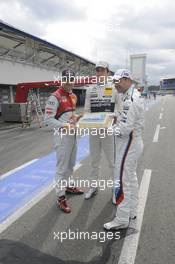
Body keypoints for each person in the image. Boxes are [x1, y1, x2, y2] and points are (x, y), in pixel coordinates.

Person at [104, 69, 144, 230]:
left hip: (128, 143)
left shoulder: (131, 99)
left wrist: (106, 128)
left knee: (122, 180)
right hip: (133, 142)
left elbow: (124, 129)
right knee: (131, 178)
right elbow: (122, 116)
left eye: (118, 81)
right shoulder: (128, 95)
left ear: (127, 79)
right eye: (114, 81)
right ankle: (132, 210)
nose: (115, 85)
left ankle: (121, 219)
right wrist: (114, 117)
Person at [44, 69, 84, 214]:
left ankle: (68, 186)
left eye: (71, 79)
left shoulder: (73, 95)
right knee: (61, 167)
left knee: (71, 164)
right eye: (66, 79)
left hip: (73, 135)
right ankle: (60, 196)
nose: (69, 82)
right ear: (62, 79)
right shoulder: (55, 96)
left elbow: (69, 115)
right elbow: (47, 120)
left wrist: (76, 118)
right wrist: (64, 125)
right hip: (61, 137)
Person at [84, 61, 122, 199]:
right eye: (97, 70)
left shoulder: (114, 88)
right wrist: (85, 121)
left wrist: (113, 116)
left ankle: (115, 189)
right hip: (94, 130)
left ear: (108, 72)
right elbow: (87, 110)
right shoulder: (90, 89)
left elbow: (120, 109)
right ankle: (93, 186)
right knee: (94, 161)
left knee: (112, 162)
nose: (99, 73)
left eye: (102, 70)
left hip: (108, 130)